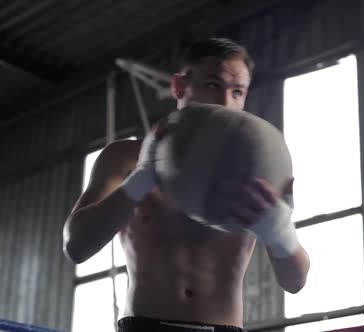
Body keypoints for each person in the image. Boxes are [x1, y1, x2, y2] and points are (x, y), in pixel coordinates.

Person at [62, 38, 310, 332]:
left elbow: (295, 282)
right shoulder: (127, 157)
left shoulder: (254, 170)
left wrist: (278, 229)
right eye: (213, 85)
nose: (226, 102)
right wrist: (142, 178)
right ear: (180, 86)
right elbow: (76, 246)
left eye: (237, 91)